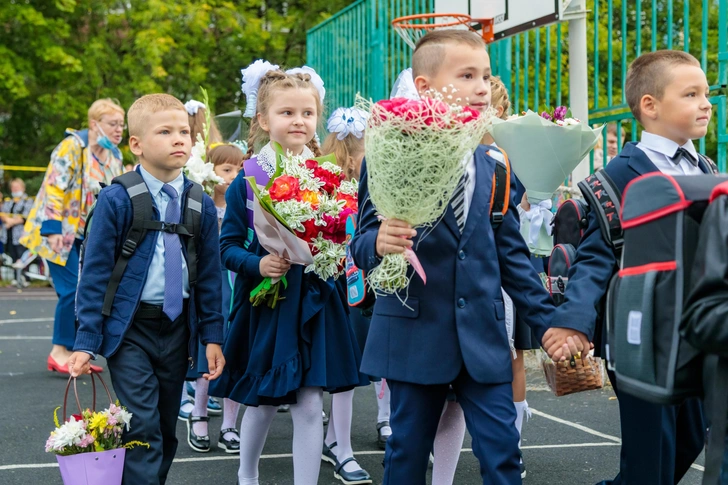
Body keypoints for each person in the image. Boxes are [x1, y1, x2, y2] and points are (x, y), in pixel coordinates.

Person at [350, 30, 587, 484]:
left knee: (502, 455)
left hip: (483, 338)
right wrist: (379, 242)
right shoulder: (389, 158)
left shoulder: (497, 166)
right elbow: (359, 244)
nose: (482, 87)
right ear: (424, 87)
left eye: (486, 75)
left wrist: (550, 322)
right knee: (406, 455)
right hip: (415, 337)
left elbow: (513, 260)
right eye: (467, 75)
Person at [551, 49, 713, 485]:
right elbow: (595, 259)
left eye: (707, 94)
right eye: (691, 94)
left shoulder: (708, 168)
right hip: (639, 339)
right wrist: (573, 323)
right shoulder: (616, 179)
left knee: (691, 439)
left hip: (695, 334)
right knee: (649, 456)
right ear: (650, 106)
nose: (706, 103)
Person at [209, 63, 367, 485]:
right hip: (270, 302)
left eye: (307, 113)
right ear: (262, 120)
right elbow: (226, 248)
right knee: (261, 400)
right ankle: (247, 474)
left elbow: (344, 233)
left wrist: (336, 249)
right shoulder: (250, 179)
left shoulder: (330, 177)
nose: (298, 121)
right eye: (286, 113)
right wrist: (258, 263)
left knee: (312, 405)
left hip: (316, 299)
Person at [67, 93, 225, 485]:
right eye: (166, 132)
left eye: (184, 132)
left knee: (166, 432)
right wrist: (87, 340)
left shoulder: (198, 202)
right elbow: (95, 276)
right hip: (131, 332)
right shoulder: (117, 199)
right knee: (143, 428)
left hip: (177, 332)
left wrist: (213, 337)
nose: (179, 140)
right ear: (136, 144)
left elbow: (209, 278)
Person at [21, 98, 125, 374]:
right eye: (113, 124)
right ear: (94, 124)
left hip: (89, 235)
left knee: (89, 290)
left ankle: (78, 353)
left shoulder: (114, 155)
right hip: (59, 233)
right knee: (72, 291)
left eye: (121, 125)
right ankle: (60, 351)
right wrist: (53, 230)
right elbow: (54, 187)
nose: (119, 130)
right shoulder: (72, 147)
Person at [320, 107, 373, 484]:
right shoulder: (326, 187)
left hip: (358, 282)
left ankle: (333, 441)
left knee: (351, 369)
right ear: (354, 157)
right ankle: (342, 449)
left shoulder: (369, 186)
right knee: (345, 370)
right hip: (337, 282)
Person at [184, 142, 244, 454]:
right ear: (210, 172)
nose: (233, 176)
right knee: (210, 350)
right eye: (226, 169)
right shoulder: (203, 205)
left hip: (237, 284)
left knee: (233, 350)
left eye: (238, 169)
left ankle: (230, 424)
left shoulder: (245, 206)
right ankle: (199, 414)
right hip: (212, 285)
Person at [179, 99, 224, 427]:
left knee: (200, 325)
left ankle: (195, 393)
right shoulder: (192, 161)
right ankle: (188, 396)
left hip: (202, 264)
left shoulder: (209, 154)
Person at [0, 179, 34, 284]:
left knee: (23, 256)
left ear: (23, 188)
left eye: (17, 187)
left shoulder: (28, 200)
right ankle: (16, 278)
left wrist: (11, 221)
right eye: (13, 187)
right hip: (9, 234)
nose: (15, 189)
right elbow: (3, 213)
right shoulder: (8, 201)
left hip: (22, 234)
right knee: (13, 255)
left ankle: (25, 277)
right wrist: (8, 220)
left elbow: (27, 216)